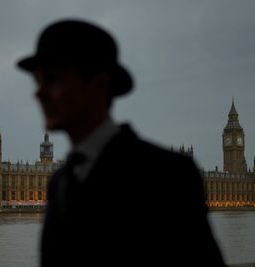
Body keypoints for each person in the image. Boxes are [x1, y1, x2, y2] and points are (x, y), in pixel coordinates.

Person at [16, 19, 226, 266]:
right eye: (38, 82)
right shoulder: (59, 182)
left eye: (52, 80)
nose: (38, 93)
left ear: (99, 84)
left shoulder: (168, 173)